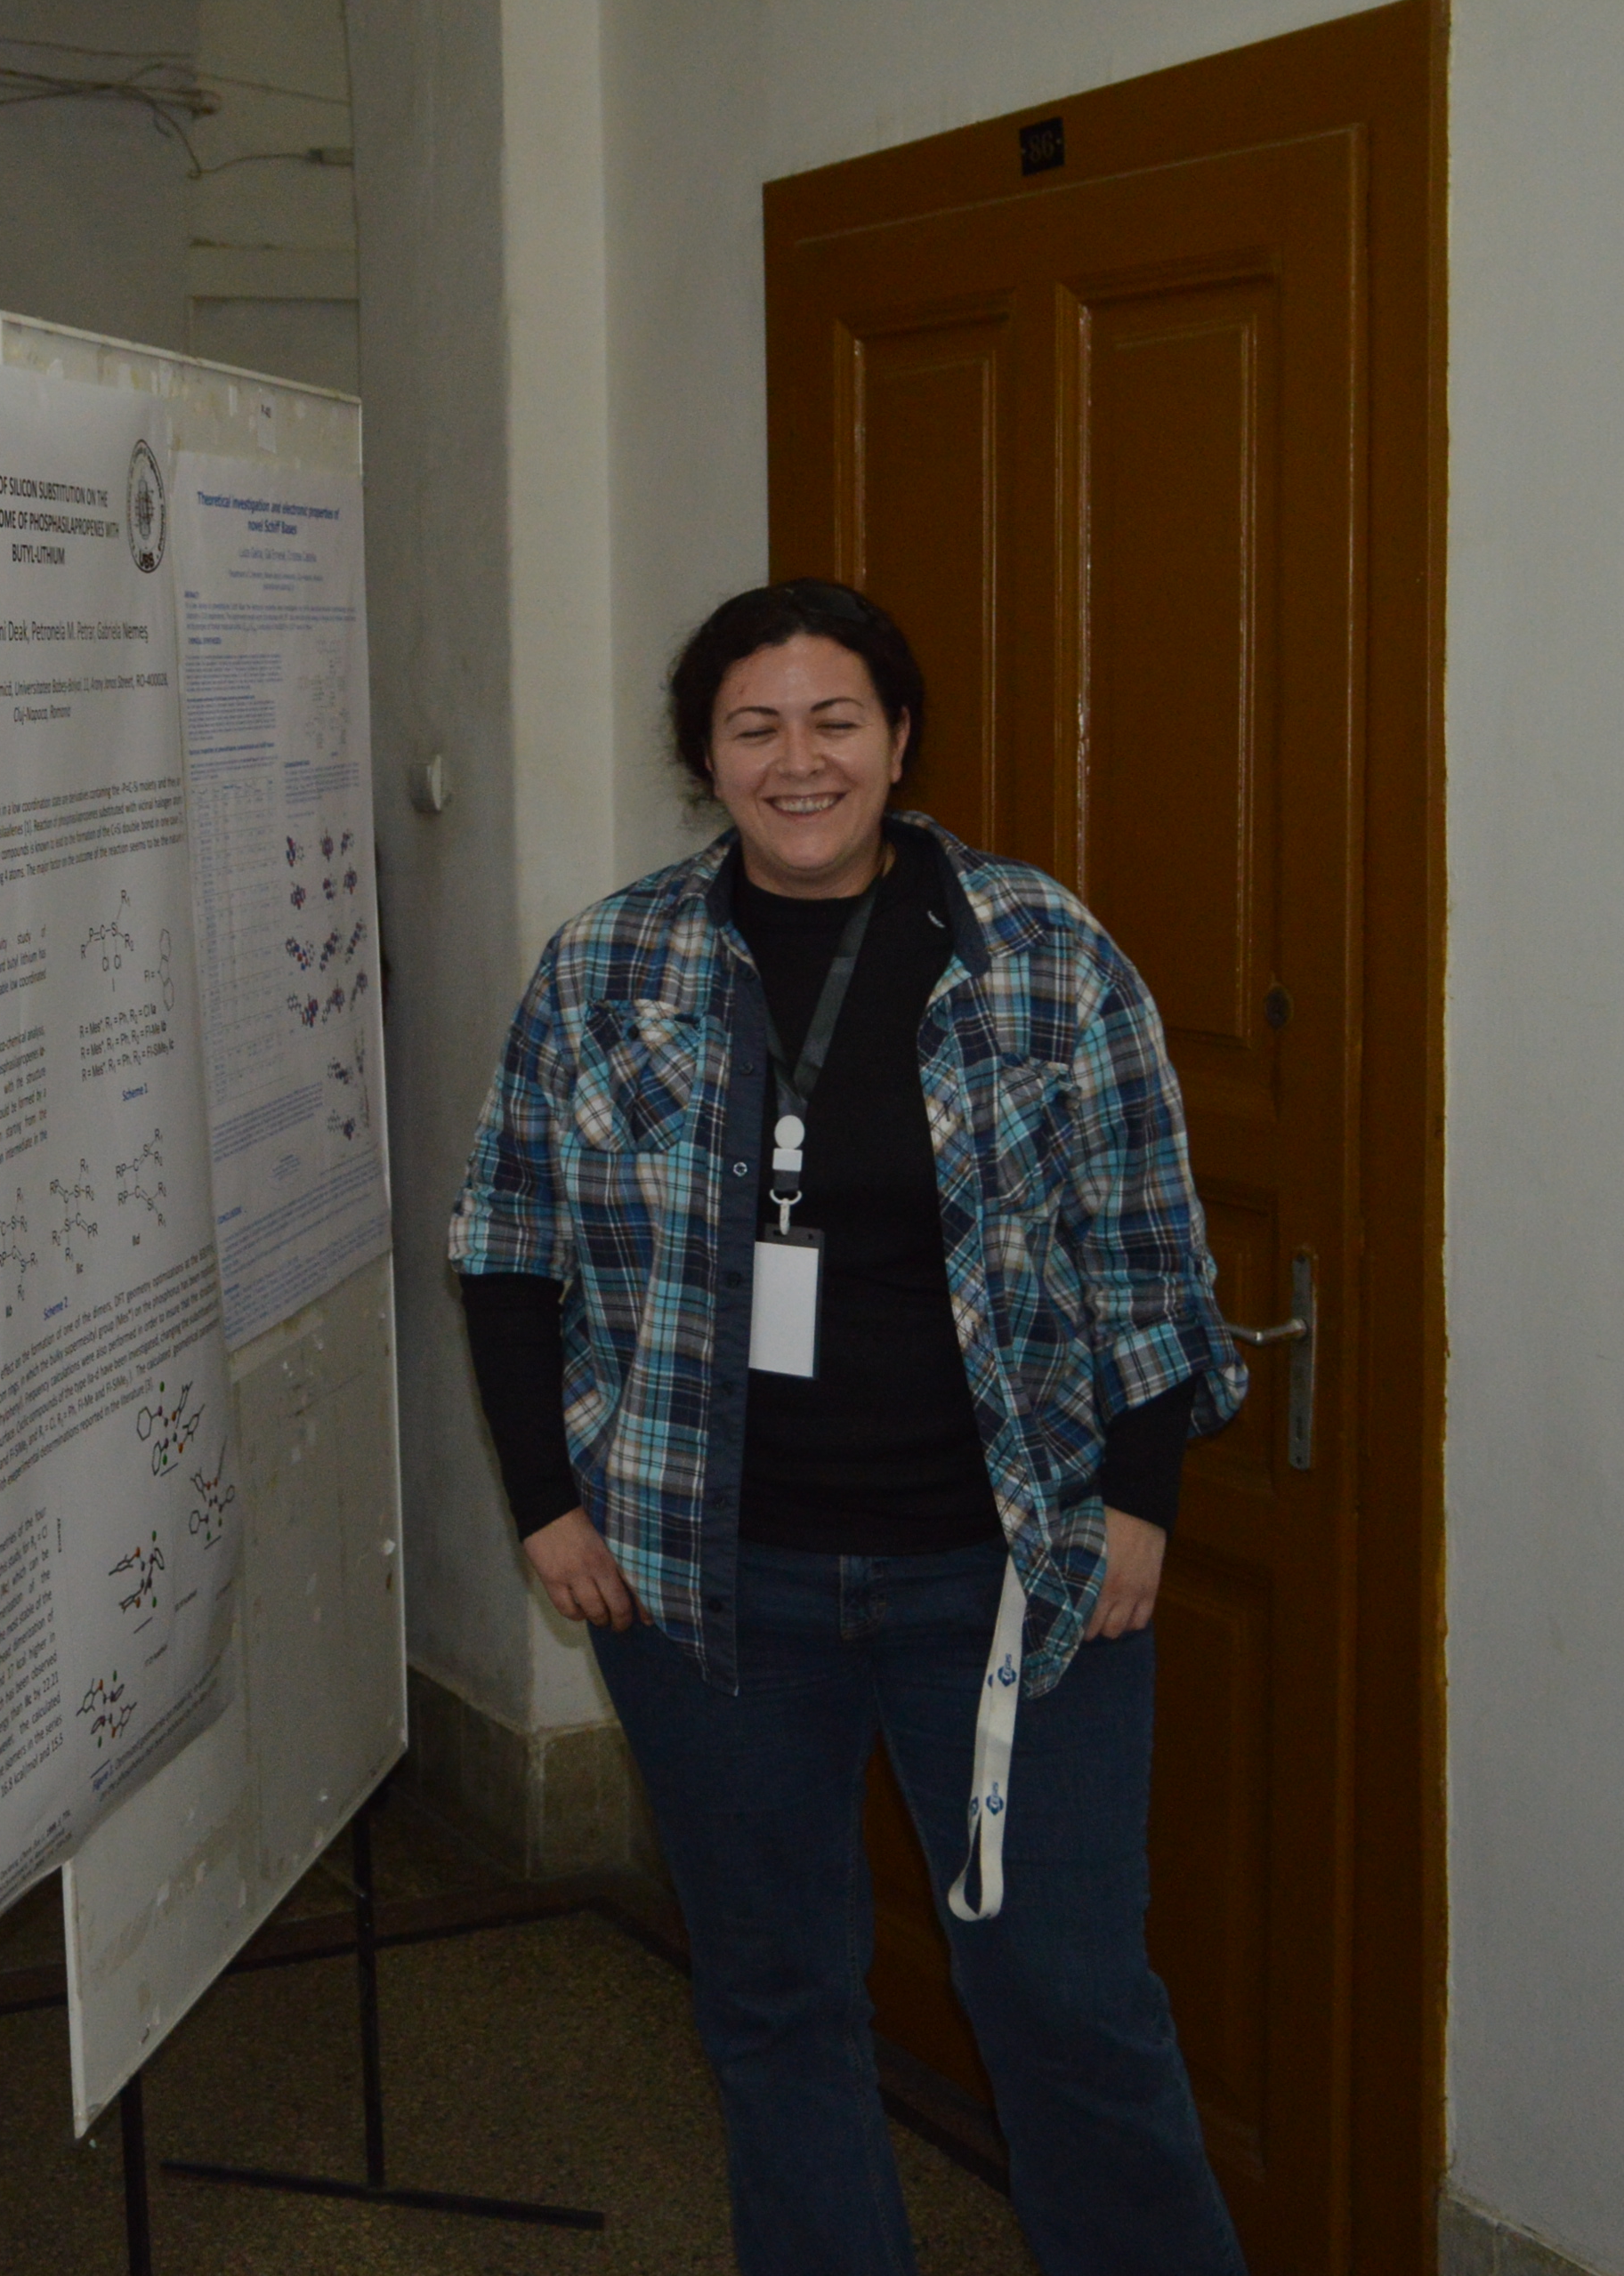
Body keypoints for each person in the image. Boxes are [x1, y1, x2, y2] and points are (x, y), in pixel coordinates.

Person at [452, 578, 1250, 2275]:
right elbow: (509, 1244)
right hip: (709, 1588)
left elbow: (1144, 1251)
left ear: (897, 740)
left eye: (834, 720)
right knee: (775, 2002)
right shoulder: (606, 967)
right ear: (706, 758)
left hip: (1013, 1578)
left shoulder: (1040, 953)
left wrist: (1140, 1499)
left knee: (1069, 2000)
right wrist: (545, 1502)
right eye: (754, 727)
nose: (797, 761)